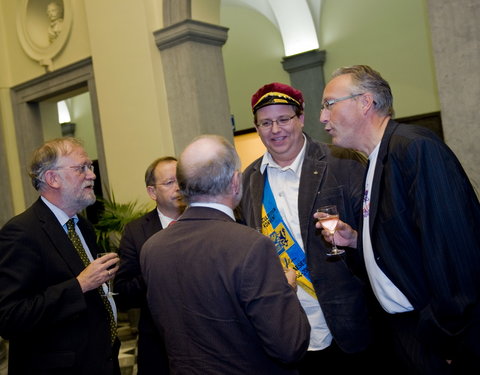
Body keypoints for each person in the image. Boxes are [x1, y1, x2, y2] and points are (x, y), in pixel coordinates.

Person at [317, 64, 480, 374]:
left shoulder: (415, 148)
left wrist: (447, 339)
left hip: (439, 337)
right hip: (405, 331)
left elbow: (453, 251)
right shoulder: (375, 161)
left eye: (329, 104)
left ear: (365, 103)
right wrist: (355, 241)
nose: (323, 117)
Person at [140, 134, 310, 374]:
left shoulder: (152, 248)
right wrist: (288, 292)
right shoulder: (251, 246)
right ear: (234, 181)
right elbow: (290, 345)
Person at [239, 82, 377, 373]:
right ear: (257, 127)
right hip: (285, 329)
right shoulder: (248, 180)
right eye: (266, 123)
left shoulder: (342, 162)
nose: (275, 130)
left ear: (301, 118)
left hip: (348, 323)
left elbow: (378, 235)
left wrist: (353, 237)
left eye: (284, 119)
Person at [0, 137, 121, 374]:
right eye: (81, 168)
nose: (92, 175)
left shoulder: (82, 226)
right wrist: (80, 285)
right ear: (52, 178)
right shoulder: (21, 232)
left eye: (91, 167)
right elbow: (9, 317)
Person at [114, 156, 185, 374]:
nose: (178, 188)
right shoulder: (136, 232)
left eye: (181, 180)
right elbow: (123, 291)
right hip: (158, 342)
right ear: (152, 192)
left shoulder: (207, 220)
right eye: (169, 182)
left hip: (208, 339)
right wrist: (156, 270)